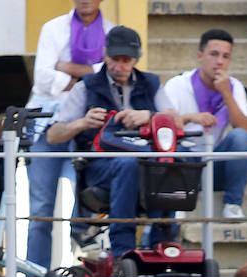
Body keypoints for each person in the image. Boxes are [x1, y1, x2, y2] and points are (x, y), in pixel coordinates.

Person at [45, 26, 176, 259]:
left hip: (146, 163)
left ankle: (163, 243)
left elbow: (176, 121)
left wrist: (149, 116)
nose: (120, 67)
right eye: (115, 59)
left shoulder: (151, 83)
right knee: (129, 164)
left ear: (137, 59)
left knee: (168, 164)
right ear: (105, 55)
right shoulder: (85, 87)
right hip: (99, 166)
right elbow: (53, 135)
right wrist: (82, 123)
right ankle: (122, 249)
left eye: (127, 60)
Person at [24, 0, 113, 270]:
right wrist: (88, 76)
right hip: (46, 125)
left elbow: (107, 78)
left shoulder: (111, 32)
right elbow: (42, 79)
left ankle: (88, 273)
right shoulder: (53, 28)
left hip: (89, 127)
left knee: (91, 203)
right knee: (41, 210)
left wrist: (64, 67)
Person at [160, 29, 247, 220]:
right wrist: (190, 118)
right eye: (214, 54)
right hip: (184, 160)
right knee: (176, 148)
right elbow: (162, 128)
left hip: (214, 163)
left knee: (241, 138)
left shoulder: (233, 86)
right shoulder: (178, 84)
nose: (219, 62)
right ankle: (178, 201)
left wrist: (226, 94)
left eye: (225, 56)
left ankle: (233, 204)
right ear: (200, 56)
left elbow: (244, 128)